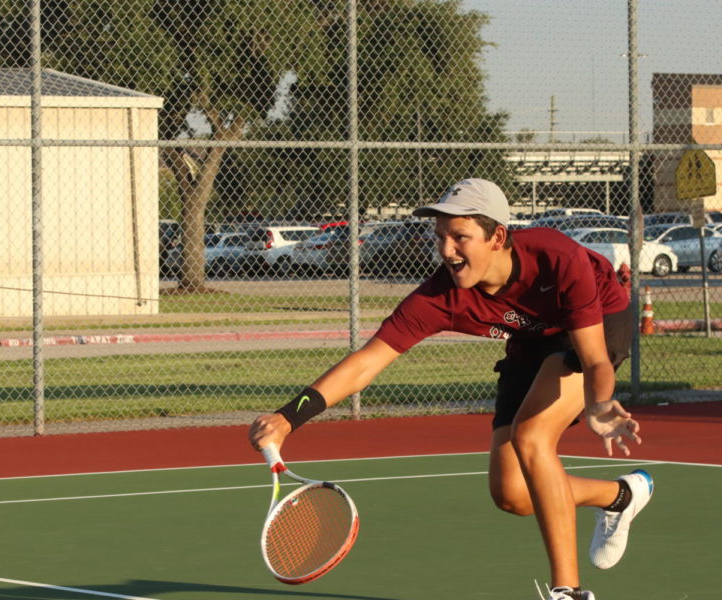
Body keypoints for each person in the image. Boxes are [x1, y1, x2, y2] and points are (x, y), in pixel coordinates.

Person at [248, 178, 654, 600]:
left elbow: (594, 360)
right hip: (531, 339)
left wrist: (599, 401)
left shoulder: (556, 258)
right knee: (512, 493)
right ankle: (621, 496)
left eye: (460, 237)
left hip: (597, 323)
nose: (446, 250)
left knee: (532, 437)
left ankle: (568, 593)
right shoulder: (439, 297)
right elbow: (366, 362)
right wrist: (287, 417)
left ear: (497, 236)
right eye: (440, 237)